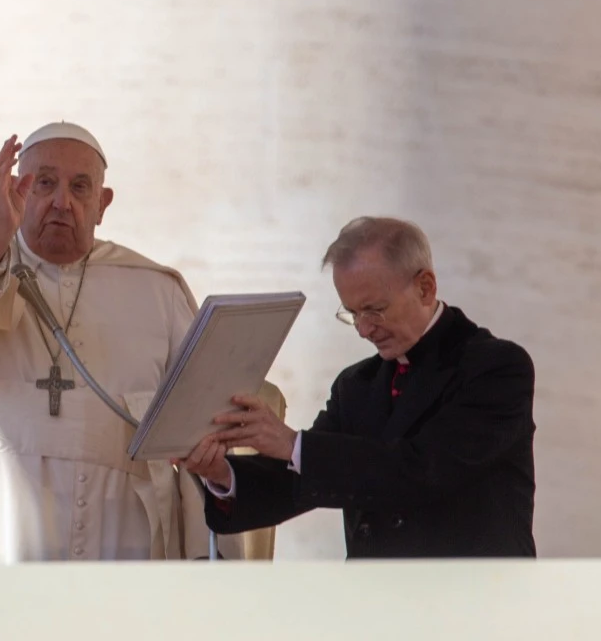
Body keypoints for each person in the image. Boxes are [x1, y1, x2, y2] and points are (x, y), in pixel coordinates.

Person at [0, 121, 219, 562]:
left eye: (80, 187)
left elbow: (200, 408)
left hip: (118, 524)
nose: (62, 201)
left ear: (103, 203)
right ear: (17, 190)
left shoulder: (156, 289)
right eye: (45, 184)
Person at [181, 216, 536, 558]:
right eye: (352, 313)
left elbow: (422, 471)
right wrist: (222, 473)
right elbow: (300, 482)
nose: (364, 330)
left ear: (425, 287)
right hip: (376, 603)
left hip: (474, 602)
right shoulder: (356, 385)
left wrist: (292, 444)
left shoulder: (496, 369)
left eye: (374, 310)